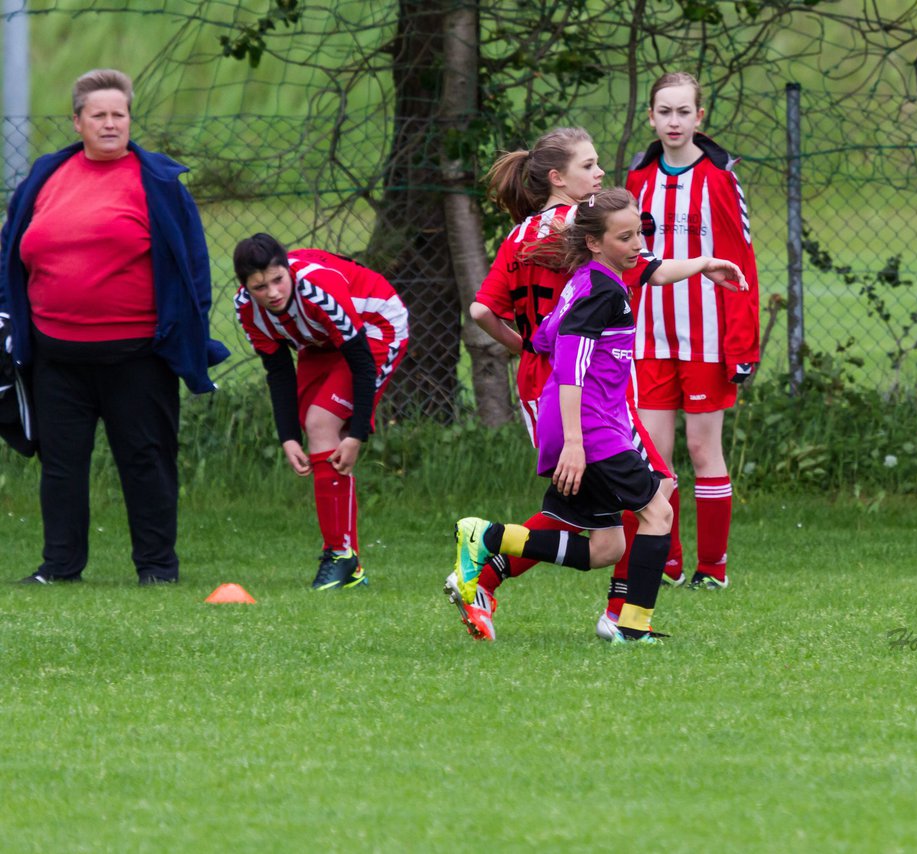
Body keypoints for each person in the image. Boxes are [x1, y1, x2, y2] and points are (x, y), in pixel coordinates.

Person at [448, 188, 745, 643]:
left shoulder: (585, 280)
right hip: (592, 428)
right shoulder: (602, 293)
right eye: (625, 238)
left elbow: (544, 338)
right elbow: (567, 364)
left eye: (639, 234)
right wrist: (575, 442)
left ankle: (489, 538)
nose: (638, 246)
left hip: (582, 423)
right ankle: (632, 625)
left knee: (606, 547)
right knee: (658, 512)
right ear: (595, 242)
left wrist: (705, 264)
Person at [0, 68, 230, 585]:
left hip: (137, 355)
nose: (110, 124)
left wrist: (186, 334)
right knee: (60, 467)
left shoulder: (158, 183)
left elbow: (192, 268)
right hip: (56, 356)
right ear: (77, 121)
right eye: (98, 115)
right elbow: (10, 251)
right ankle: (59, 567)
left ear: (129, 119)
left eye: (119, 115)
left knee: (146, 461)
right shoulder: (44, 177)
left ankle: (156, 568)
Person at [625, 71, 761, 591]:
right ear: (652, 117)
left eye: (684, 112)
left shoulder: (721, 178)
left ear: (699, 118)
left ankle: (713, 569)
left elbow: (741, 264)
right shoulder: (637, 180)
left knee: (704, 453)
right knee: (655, 458)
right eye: (665, 112)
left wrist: (742, 343)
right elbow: (624, 259)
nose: (674, 121)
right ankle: (668, 560)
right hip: (648, 339)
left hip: (706, 339)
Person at [232, 233, 409, 590]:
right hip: (319, 338)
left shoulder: (318, 290)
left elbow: (360, 362)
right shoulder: (247, 309)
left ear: (288, 270)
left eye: (278, 280)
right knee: (313, 428)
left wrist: (357, 434)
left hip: (375, 327)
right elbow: (279, 371)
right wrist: (286, 437)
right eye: (260, 287)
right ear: (246, 288)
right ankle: (350, 566)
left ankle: (339, 555)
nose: (273, 293)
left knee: (322, 422)